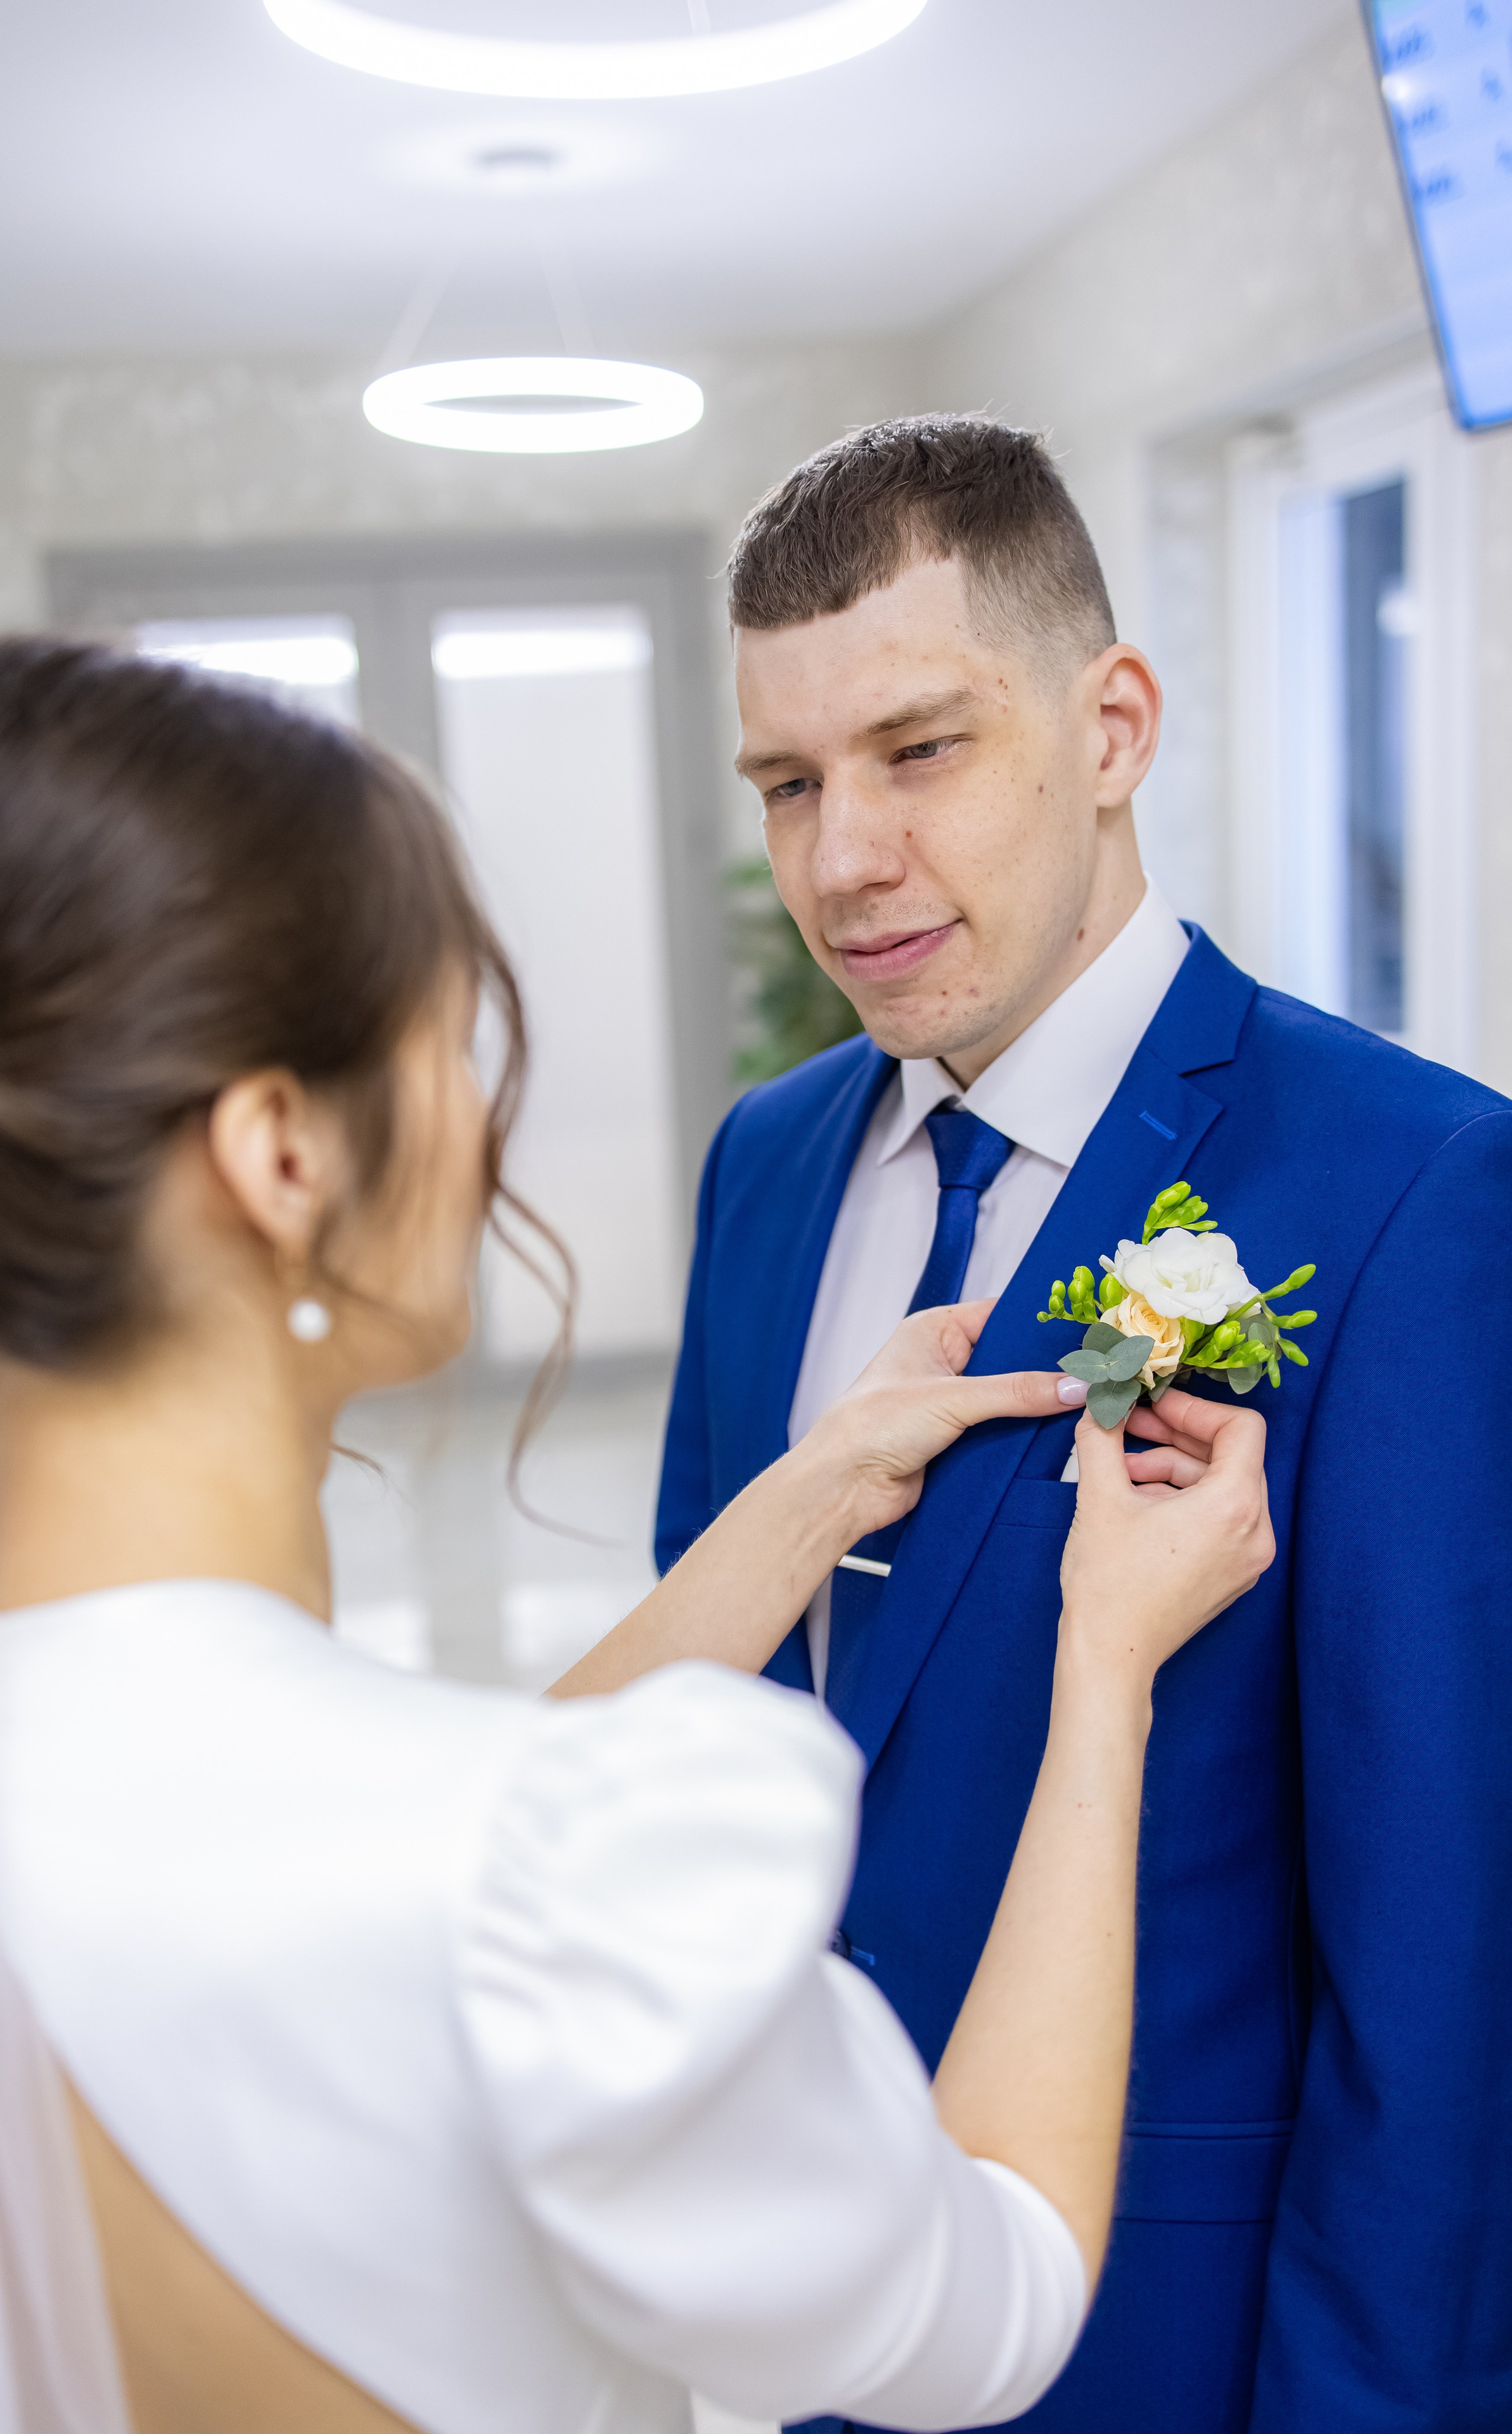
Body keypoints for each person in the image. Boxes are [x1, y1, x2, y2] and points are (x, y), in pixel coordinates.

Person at [0, 638, 1272, 2434]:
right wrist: (1106, 1675)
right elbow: (992, 2289)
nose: (487, 1119)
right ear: (281, 1157)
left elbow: (347, 1830)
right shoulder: (534, 1893)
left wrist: (812, 1492)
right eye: (451, 1039)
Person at [655, 413, 1512, 2434]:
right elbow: (709, 1740)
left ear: (1112, 725)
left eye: (920, 750)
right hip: (807, 2317)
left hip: (1169, 2345)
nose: (840, 859)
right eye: (788, 783)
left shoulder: (1416, 1190)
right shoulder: (764, 1171)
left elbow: (1444, 1966)